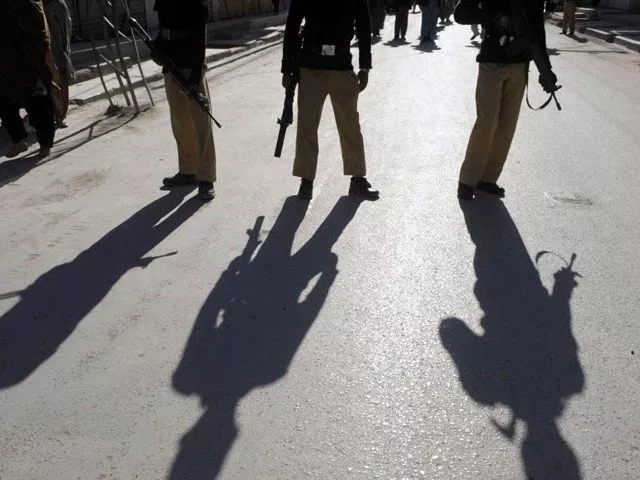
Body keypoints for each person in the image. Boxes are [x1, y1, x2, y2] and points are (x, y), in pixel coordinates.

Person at [454, 0, 558, 200]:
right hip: (491, 63)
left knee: (506, 125)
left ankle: (487, 179)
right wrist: (493, 12)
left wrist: (546, 69)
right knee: (487, 122)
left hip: (519, 66)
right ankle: (467, 180)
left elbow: (537, 31)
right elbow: (460, 14)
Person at [281, 0, 379, 200]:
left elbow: (363, 24)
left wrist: (365, 65)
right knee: (307, 126)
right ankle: (306, 181)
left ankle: (357, 179)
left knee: (350, 126)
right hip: (310, 66)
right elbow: (292, 24)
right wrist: (287, 68)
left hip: (341, 65)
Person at [154, 0, 217, 201]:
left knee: (201, 125)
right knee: (180, 122)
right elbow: (163, 29)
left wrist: (195, 76)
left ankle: (206, 178)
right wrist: (156, 48)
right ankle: (188, 171)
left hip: (191, 67)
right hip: (170, 65)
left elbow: (200, 38)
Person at [0, 0, 58, 158]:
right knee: (4, 104)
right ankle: (19, 140)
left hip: (28, 61)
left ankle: (45, 144)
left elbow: (38, 28)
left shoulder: (25, 4)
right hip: (4, 64)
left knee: (38, 103)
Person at [43, 0, 74, 128]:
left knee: (60, 80)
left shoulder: (57, 5)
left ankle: (59, 116)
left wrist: (64, 53)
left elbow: (65, 30)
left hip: (56, 51)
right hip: (45, 51)